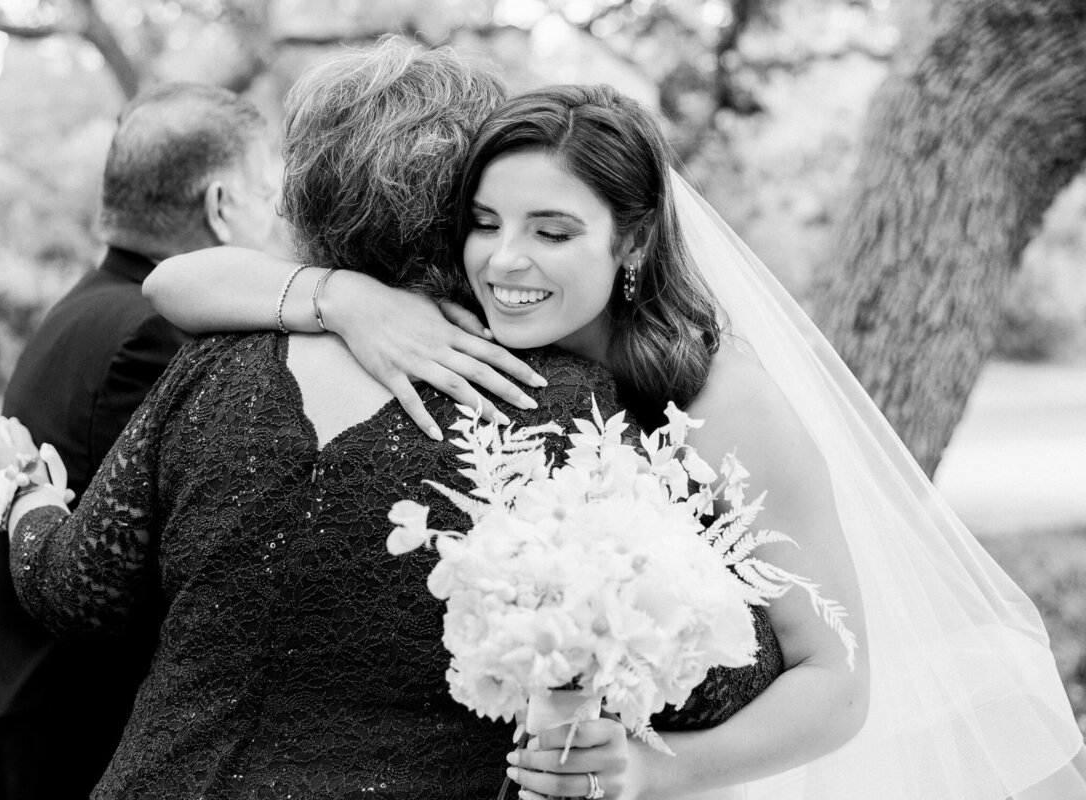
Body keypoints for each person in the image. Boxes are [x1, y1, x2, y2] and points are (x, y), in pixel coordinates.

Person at [145, 83, 1086, 798]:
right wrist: (341, 297)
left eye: (552, 231)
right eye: (484, 223)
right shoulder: (451, 316)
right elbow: (174, 283)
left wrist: (652, 770)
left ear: (632, 242)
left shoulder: (725, 401)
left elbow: (837, 681)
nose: (505, 259)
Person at [0, 82, 282, 800]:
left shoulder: (85, 306)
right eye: (266, 191)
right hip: (79, 754)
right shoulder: (152, 336)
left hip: (31, 739)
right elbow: (158, 581)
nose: (274, 212)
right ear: (221, 204)